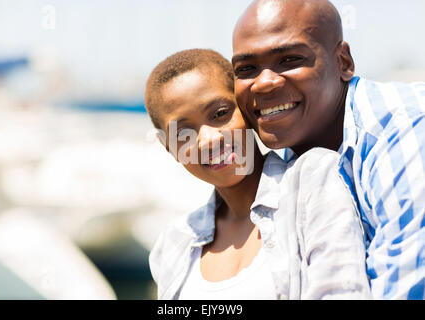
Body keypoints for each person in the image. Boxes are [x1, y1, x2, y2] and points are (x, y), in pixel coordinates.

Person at [232, 0, 425, 299]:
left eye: (289, 60)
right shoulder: (290, 162)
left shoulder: (403, 132)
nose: (264, 83)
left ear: (343, 62)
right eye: (246, 69)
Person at [145, 48, 371, 299]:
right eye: (182, 133)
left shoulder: (312, 185)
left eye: (220, 114)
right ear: (169, 148)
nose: (208, 140)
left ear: (247, 107)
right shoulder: (173, 243)